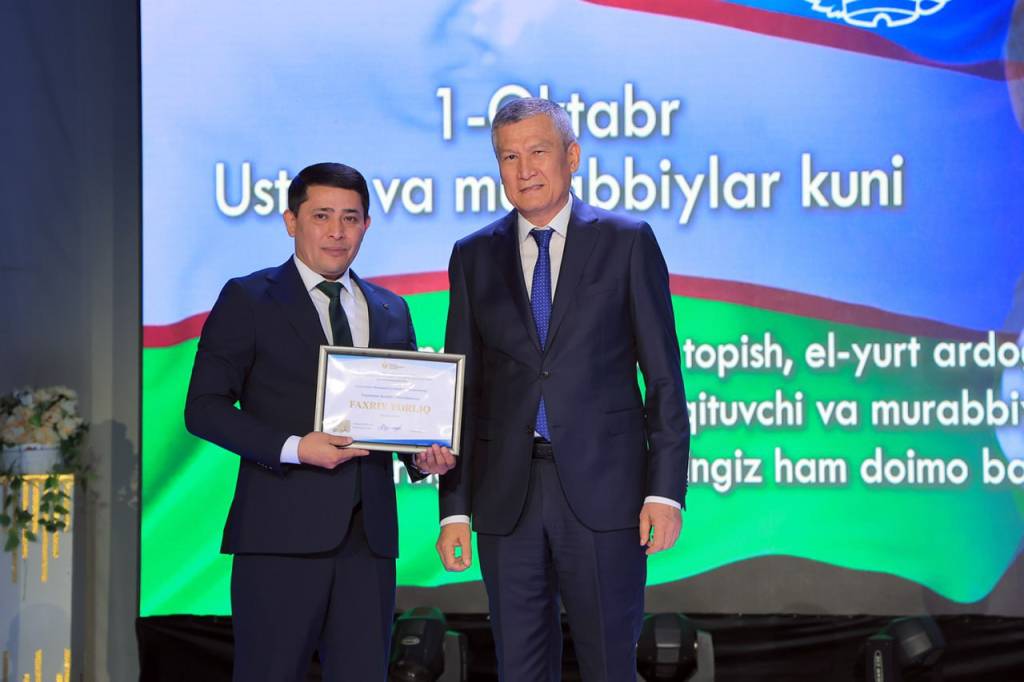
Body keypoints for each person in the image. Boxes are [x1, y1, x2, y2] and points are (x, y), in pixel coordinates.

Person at [436, 98, 690, 681]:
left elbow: (663, 378)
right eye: (509, 157)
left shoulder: (627, 241)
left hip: (607, 494)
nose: (524, 169)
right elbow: (464, 390)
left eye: (538, 151)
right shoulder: (473, 255)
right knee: (520, 670)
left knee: (609, 667)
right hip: (507, 498)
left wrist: (666, 491)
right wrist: (453, 510)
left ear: (572, 156)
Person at [184, 162, 455, 681]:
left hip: (368, 542)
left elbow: (397, 418)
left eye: (350, 218)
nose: (337, 231)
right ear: (291, 221)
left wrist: (424, 457)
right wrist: (294, 447)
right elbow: (204, 409)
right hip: (279, 536)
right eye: (321, 216)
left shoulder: (390, 308)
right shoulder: (249, 298)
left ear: (366, 225)